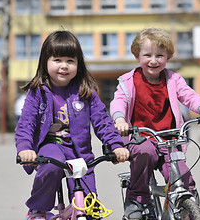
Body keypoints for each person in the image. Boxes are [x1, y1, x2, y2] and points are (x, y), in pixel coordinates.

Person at [15, 30, 130, 220]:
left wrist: (116, 146)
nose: (64, 66)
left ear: (78, 64)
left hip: (79, 154)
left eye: (70, 61)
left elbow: (102, 122)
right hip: (50, 148)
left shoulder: (86, 91)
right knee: (51, 166)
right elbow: (26, 123)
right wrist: (25, 148)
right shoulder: (39, 92)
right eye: (57, 60)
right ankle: (37, 211)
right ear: (45, 62)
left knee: (90, 208)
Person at [110, 28, 200, 220]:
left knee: (181, 176)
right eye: (147, 55)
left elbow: (189, 95)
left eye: (160, 55)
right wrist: (119, 119)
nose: (153, 60)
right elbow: (119, 101)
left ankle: (187, 204)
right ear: (137, 56)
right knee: (144, 152)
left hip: (170, 138)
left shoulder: (173, 79)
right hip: (141, 137)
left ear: (167, 57)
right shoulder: (128, 81)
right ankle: (136, 199)